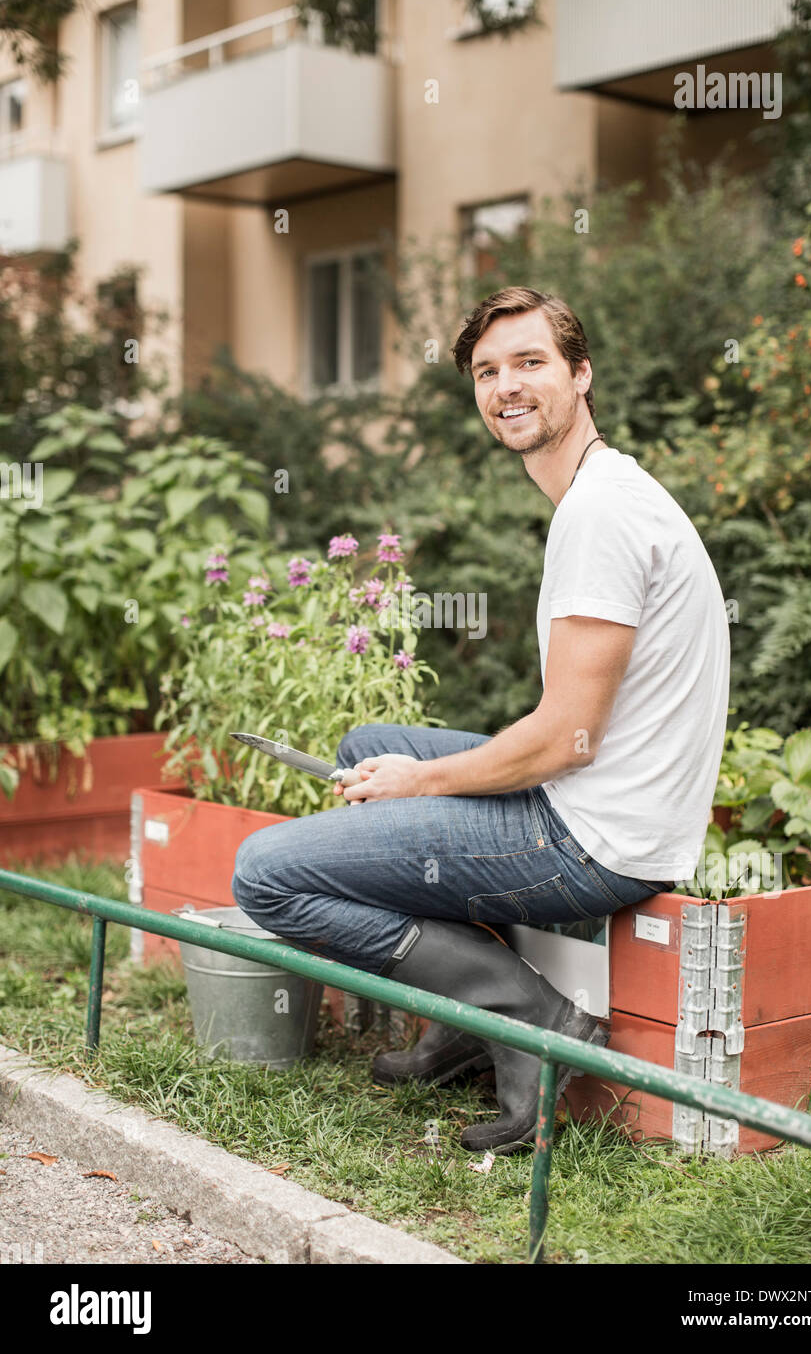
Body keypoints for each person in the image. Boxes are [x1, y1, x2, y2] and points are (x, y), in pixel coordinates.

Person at [232, 285, 731, 1154]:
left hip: (593, 838)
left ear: (582, 374)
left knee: (264, 876)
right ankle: (465, 1020)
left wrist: (421, 782)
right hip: (602, 801)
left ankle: (533, 1022)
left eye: (530, 362)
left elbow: (561, 737)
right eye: (487, 370)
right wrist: (405, 773)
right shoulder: (601, 491)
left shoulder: (601, 515)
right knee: (365, 752)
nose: (507, 385)